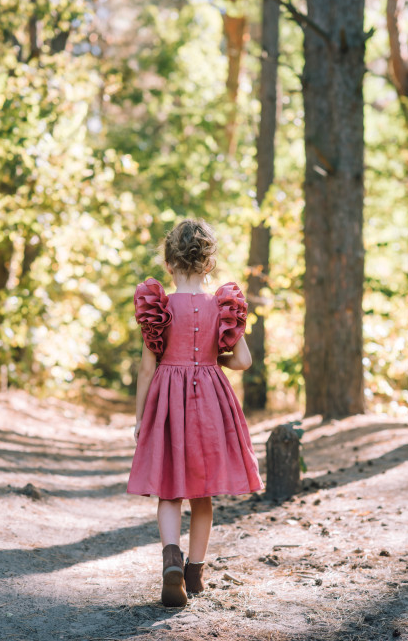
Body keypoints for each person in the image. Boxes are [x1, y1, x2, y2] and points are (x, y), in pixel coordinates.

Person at [126, 218, 265, 608]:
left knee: (169, 489)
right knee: (202, 494)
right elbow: (244, 360)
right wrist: (211, 358)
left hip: (166, 400)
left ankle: (171, 557)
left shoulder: (158, 306)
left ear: (169, 263)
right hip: (210, 403)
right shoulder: (223, 306)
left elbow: (145, 369)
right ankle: (195, 572)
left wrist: (140, 419)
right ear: (209, 264)